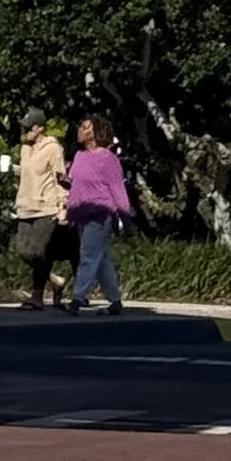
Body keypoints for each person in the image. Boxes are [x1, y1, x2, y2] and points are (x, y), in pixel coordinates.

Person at [65, 115, 132, 314]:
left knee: (88, 255)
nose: (80, 130)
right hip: (80, 214)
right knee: (100, 259)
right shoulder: (80, 156)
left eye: (85, 127)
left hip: (99, 213)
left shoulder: (107, 159)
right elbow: (75, 182)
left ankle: (77, 298)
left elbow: (117, 189)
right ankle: (115, 301)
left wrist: (124, 216)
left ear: (96, 132)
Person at [10, 110, 70, 309]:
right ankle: (54, 279)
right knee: (22, 250)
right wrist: (12, 169)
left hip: (46, 207)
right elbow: (28, 172)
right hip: (25, 205)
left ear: (40, 128)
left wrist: (63, 205)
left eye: (29, 127)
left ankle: (36, 297)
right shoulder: (25, 149)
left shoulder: (53, 148)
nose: (26, 131)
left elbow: (59, 177)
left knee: (37, 251)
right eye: (24, 127)